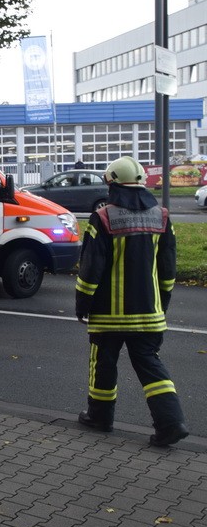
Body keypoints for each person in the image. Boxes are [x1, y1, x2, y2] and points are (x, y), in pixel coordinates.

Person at [75, 155, 188, 447]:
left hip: (108, 315)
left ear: (111, 182)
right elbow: (168, 268)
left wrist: (82, 303)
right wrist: (162, 302)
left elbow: (91, 269)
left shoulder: (102, 217)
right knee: (151, 367)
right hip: (149, 315)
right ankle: (171, 423)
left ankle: (100, 417)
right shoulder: (161, 216)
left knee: (103, 365)